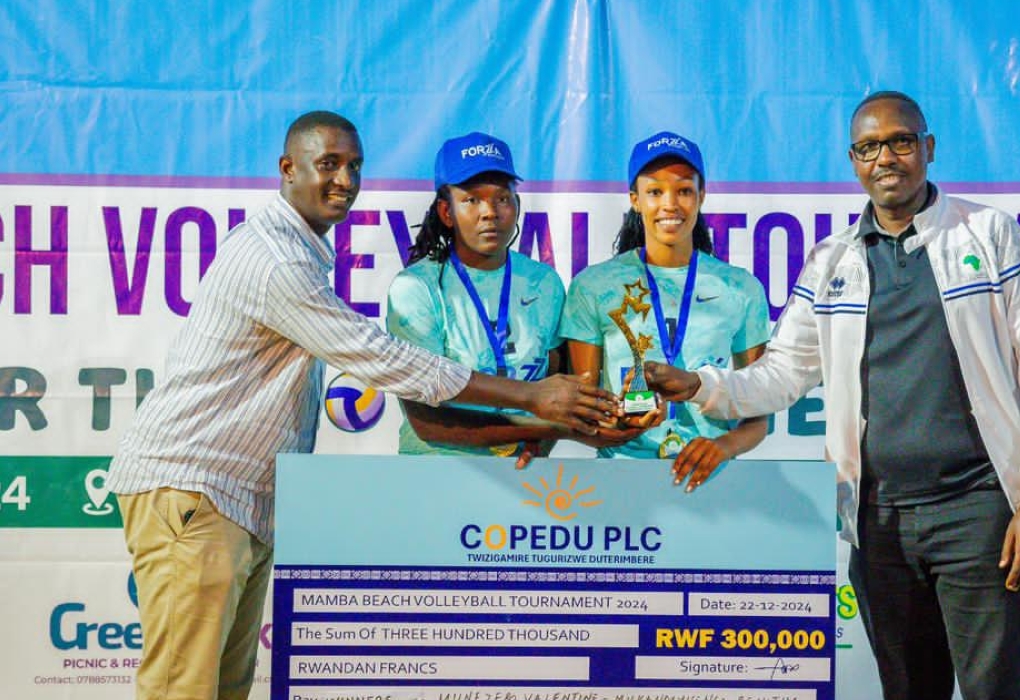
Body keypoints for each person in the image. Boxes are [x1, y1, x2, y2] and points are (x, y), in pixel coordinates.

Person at [106, 111, 616, 700]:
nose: (344, 180)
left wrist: (552, 423)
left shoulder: (304, 251)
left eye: (353, 166)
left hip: (234, 499)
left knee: (222, 689)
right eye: (328, 164)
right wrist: (531, 397)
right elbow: (383, 358)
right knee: (181, 691)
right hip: (195, 490)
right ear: (286, 168)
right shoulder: (277, 260)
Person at [645, 93, 1020, 700]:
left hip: (980, 514)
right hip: (877, 523)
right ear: (853, 162)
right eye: (869, 147)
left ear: (928, 149)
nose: (886, 158)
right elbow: (782, 375)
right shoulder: (831, 261)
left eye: (901, 141)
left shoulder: (991, 233)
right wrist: (702, 386)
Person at [561, 131, 771, 490]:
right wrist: (622, 421)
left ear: (701, 196)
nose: (670, 204)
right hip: (622, 481)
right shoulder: (593, 286)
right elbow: (583, 411)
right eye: (655, 191)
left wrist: (721, 446)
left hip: (714, 481)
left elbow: (757, 415)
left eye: (684, 190)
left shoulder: (741, 289)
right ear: (635, 199)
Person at [386, 132, 572, 465]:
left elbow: (558, 388)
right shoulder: (416, 288)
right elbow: (428, 422)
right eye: (472, 200)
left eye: (502, 198)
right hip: (435, 474)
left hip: (525, 474)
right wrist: (528, 429)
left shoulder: (544, 283)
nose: (490, 212)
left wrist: (539, 441)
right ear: (446, 212)